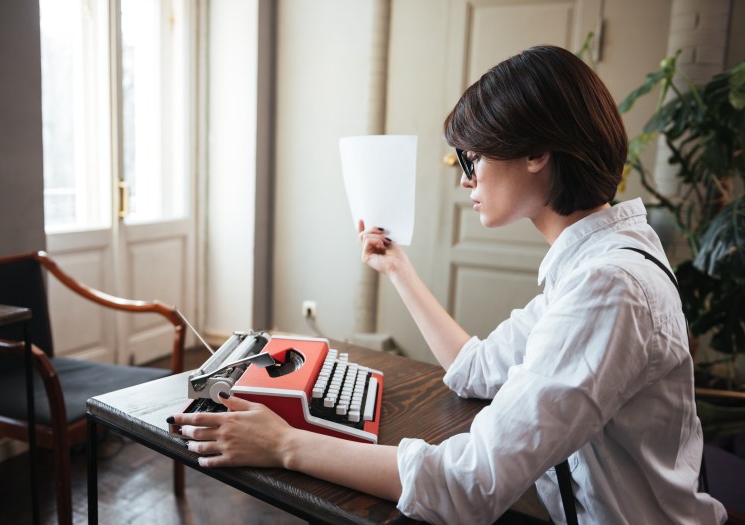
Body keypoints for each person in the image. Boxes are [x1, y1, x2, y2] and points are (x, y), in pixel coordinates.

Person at [170, 45, 727, 524]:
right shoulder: (599, 263)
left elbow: (471, 484)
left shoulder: (609, 287)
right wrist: (399, 270)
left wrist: (286, 445)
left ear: (536, 152)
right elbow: (477, 369)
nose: (464, 177)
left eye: (472, 155)